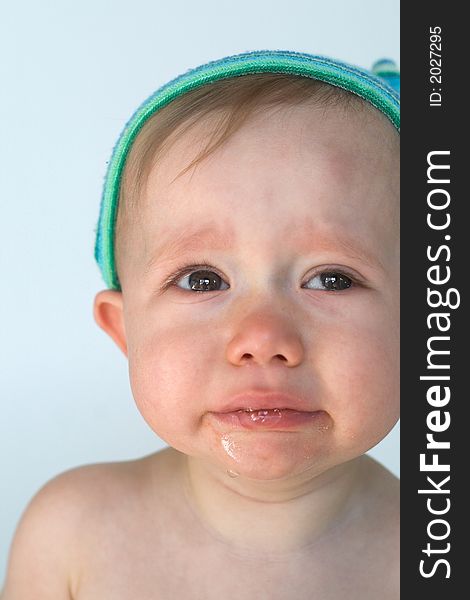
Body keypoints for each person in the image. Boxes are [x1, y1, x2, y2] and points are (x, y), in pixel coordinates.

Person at [1, 50, 400, 599]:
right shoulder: (71, 534)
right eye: (201, 280)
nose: (262, 339)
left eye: (331, 279)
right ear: (125, 332)